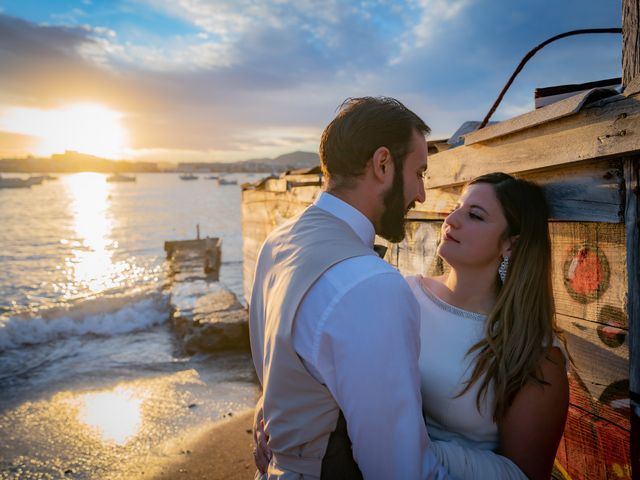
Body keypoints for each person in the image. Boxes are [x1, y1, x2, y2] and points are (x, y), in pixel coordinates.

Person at [249, 97, 526, 479]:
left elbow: (279, 360)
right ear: (382, 164)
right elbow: (399, 470)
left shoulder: (279, 242)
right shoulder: (371, 284)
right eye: (419, 173)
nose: (422, 195)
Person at [409, 172, 570, 480]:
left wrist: (415, 449)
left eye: (475, 216)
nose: (452, 220)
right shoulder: (404, 295)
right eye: (457, 207)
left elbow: (524, 474)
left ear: (511, 245)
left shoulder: (533, 351)